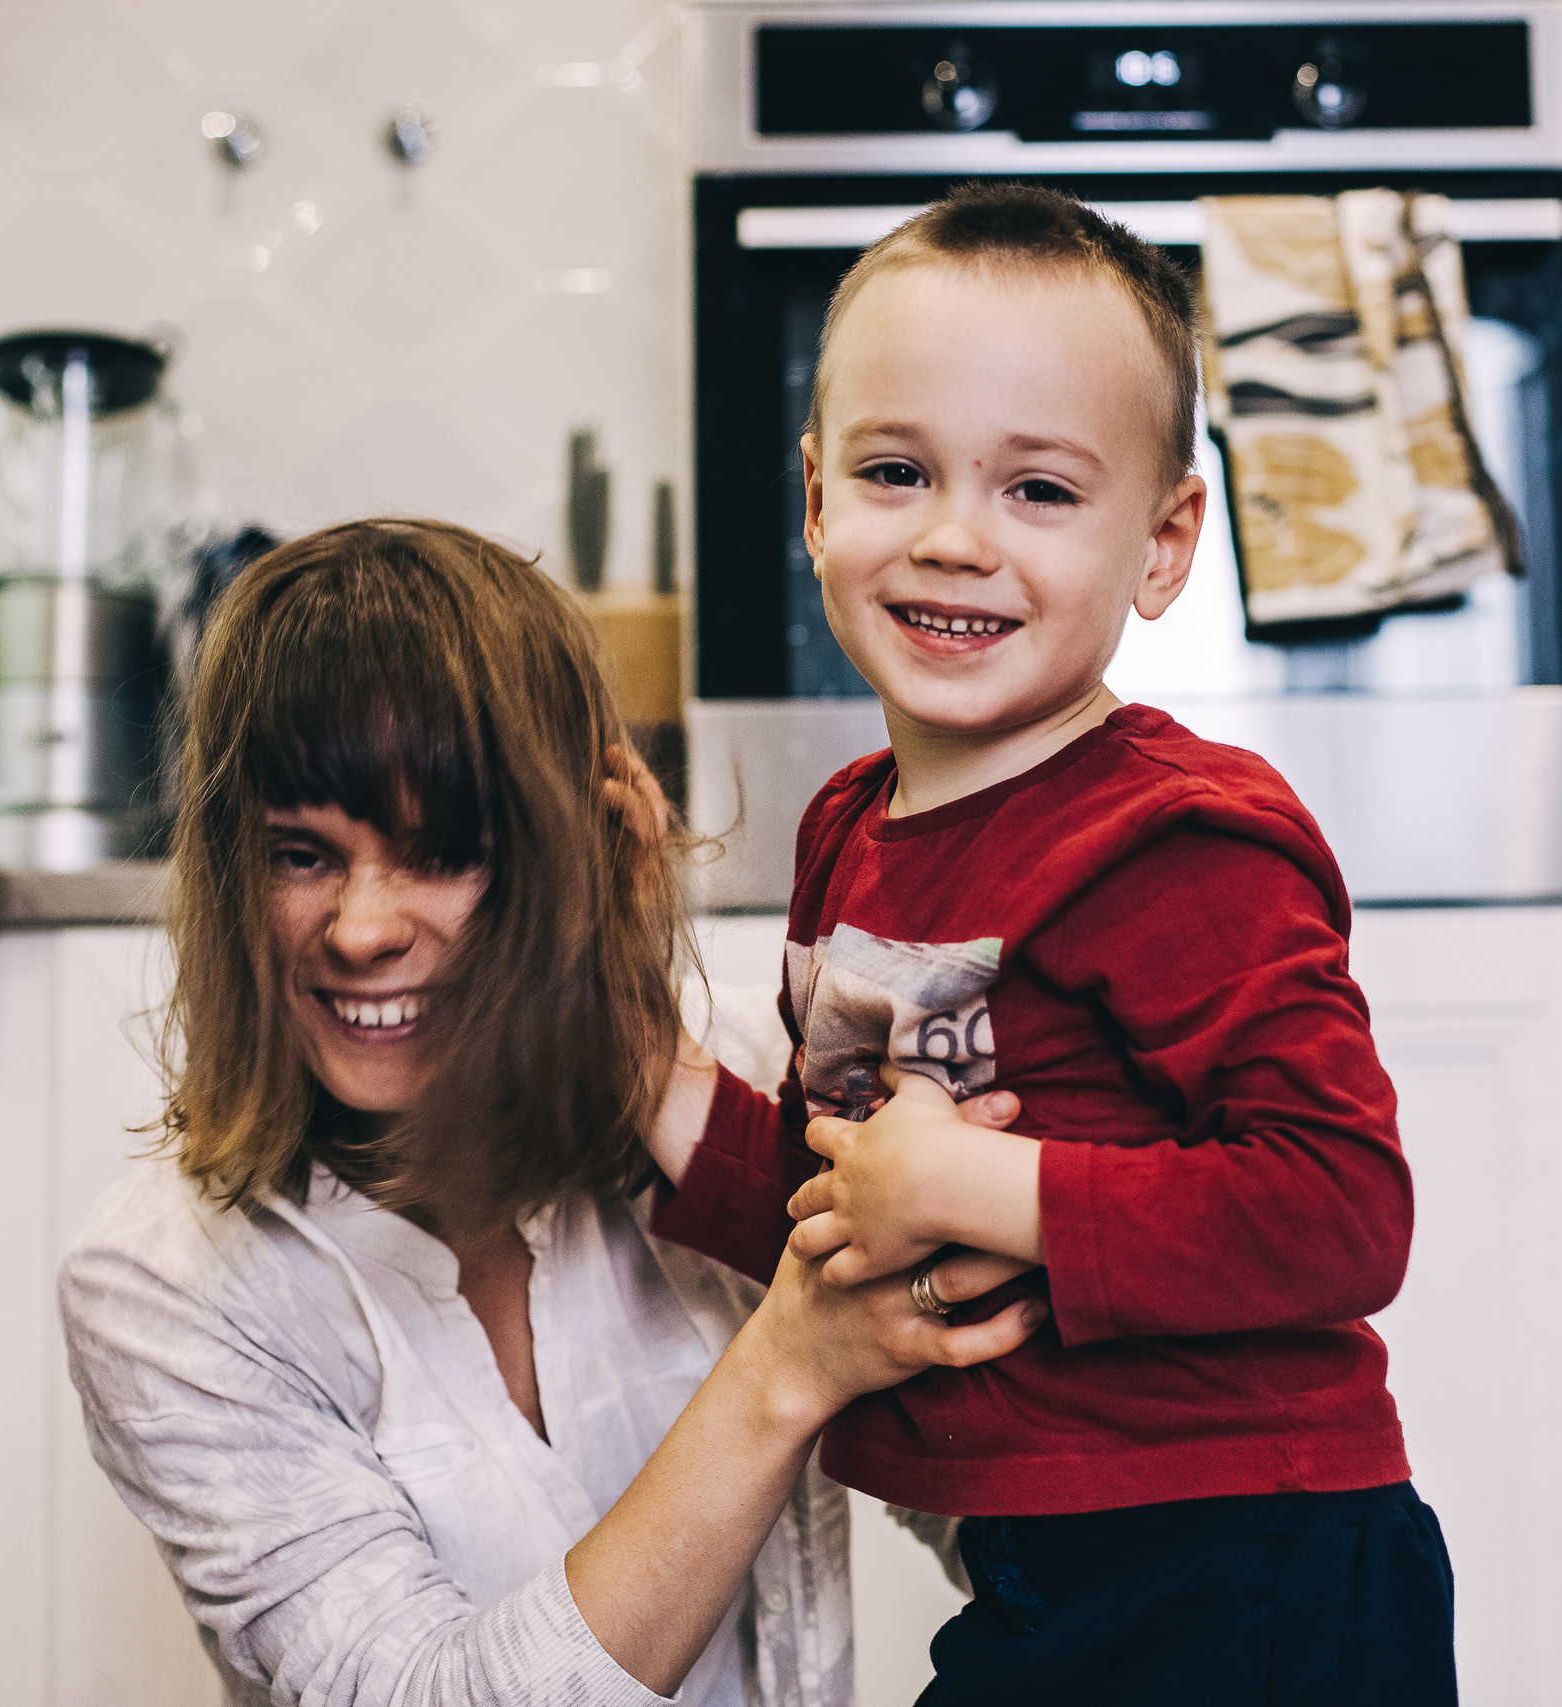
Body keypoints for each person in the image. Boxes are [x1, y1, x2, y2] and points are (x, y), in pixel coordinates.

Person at [645, 186, 1458, 1703]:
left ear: (1163, 543)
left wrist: (983, 1182)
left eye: (1039, 491)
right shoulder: (846, 831)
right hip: (1048, 1559)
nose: (957, 537)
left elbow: (1344, 1207)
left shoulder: (1177, 839)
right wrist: (639, 1075)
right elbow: (855, 1212)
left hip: (1254, 1565)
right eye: (898, 471)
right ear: (816, 501)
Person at [57, 518, 1045, 1707]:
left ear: (564, 848)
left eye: (445, 853)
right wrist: (790, 1361)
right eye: (301, 856)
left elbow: (1024, 1508)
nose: (362, 930)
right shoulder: (161, 1284)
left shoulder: (748, 1083)